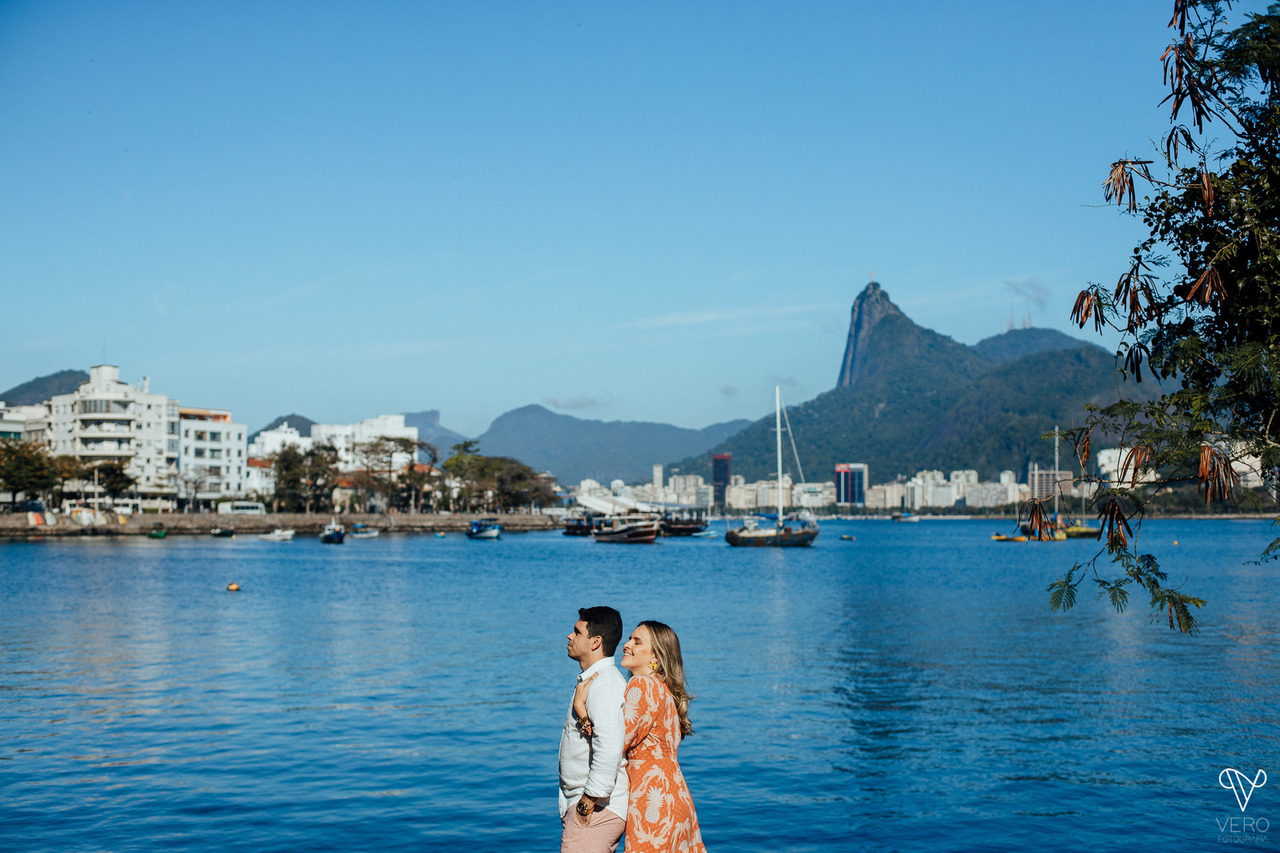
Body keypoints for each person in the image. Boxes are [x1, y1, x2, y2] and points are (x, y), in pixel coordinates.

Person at [576, 620, 706, 853]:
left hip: (652, 797)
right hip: (677, 795)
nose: (627, 645)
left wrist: (581, 710)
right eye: (629, 639)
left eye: (637, 642)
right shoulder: (665, 690)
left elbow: (615, 740)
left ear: (656, 655)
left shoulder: (641, 685)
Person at [559, 606, 629, 853]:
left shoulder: (604, 684)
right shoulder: (596, 681)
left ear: (596, 642)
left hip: (595, 811)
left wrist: (585, 806)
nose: (570, 636)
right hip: (592, 810)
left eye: (577, 632)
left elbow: (609, 750)